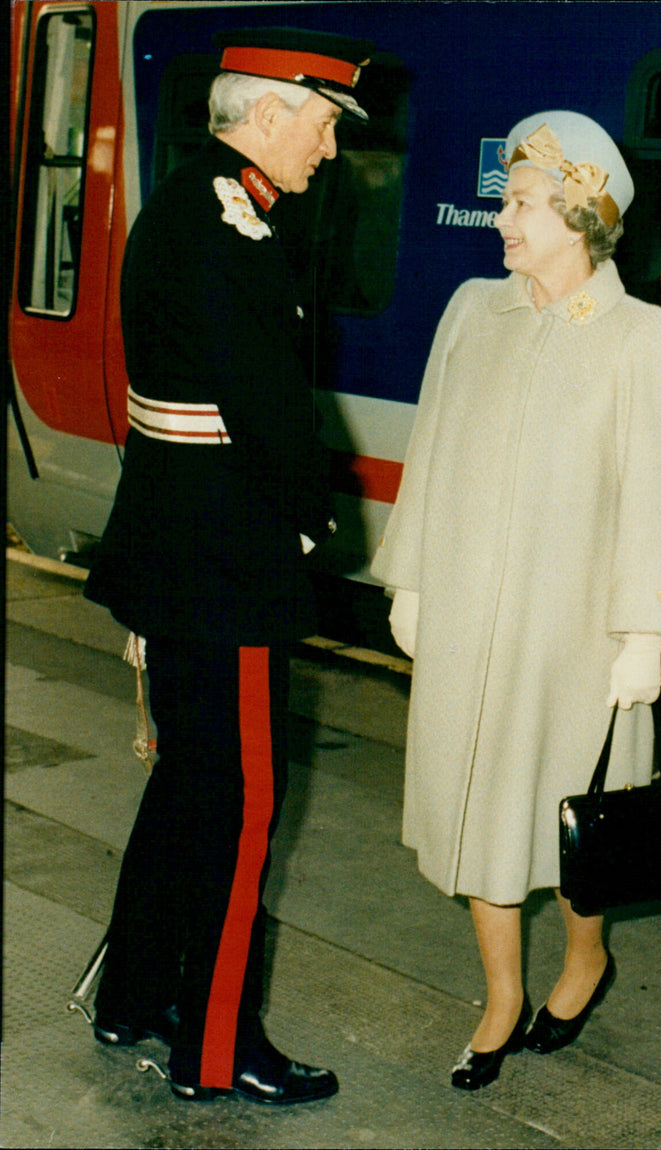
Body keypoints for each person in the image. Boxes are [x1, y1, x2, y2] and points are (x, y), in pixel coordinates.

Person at [371, 110, 661, 1090]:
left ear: (582, 214)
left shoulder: (640, 339)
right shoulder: (474, 309)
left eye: (518, 203)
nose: (499, 219)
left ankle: (584, 953)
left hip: (572, 633)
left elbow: (656, 489)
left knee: (565, 811)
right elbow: (427, 450)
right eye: (504, 200)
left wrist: (642, 631)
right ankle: (501, 994)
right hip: (469, 616)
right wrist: (412, 577)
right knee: (476, 810)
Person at [82, 28, 373, 1103]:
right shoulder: (234, 229)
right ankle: (214, 1050)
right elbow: (262, 410)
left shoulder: (191, 203)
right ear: (268, 113)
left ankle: (133, 997)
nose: (331, 150)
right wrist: (309, 523)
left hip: (173, 545)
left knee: (184, 790)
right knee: (243, 803)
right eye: (325, 124)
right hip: (225, 559)